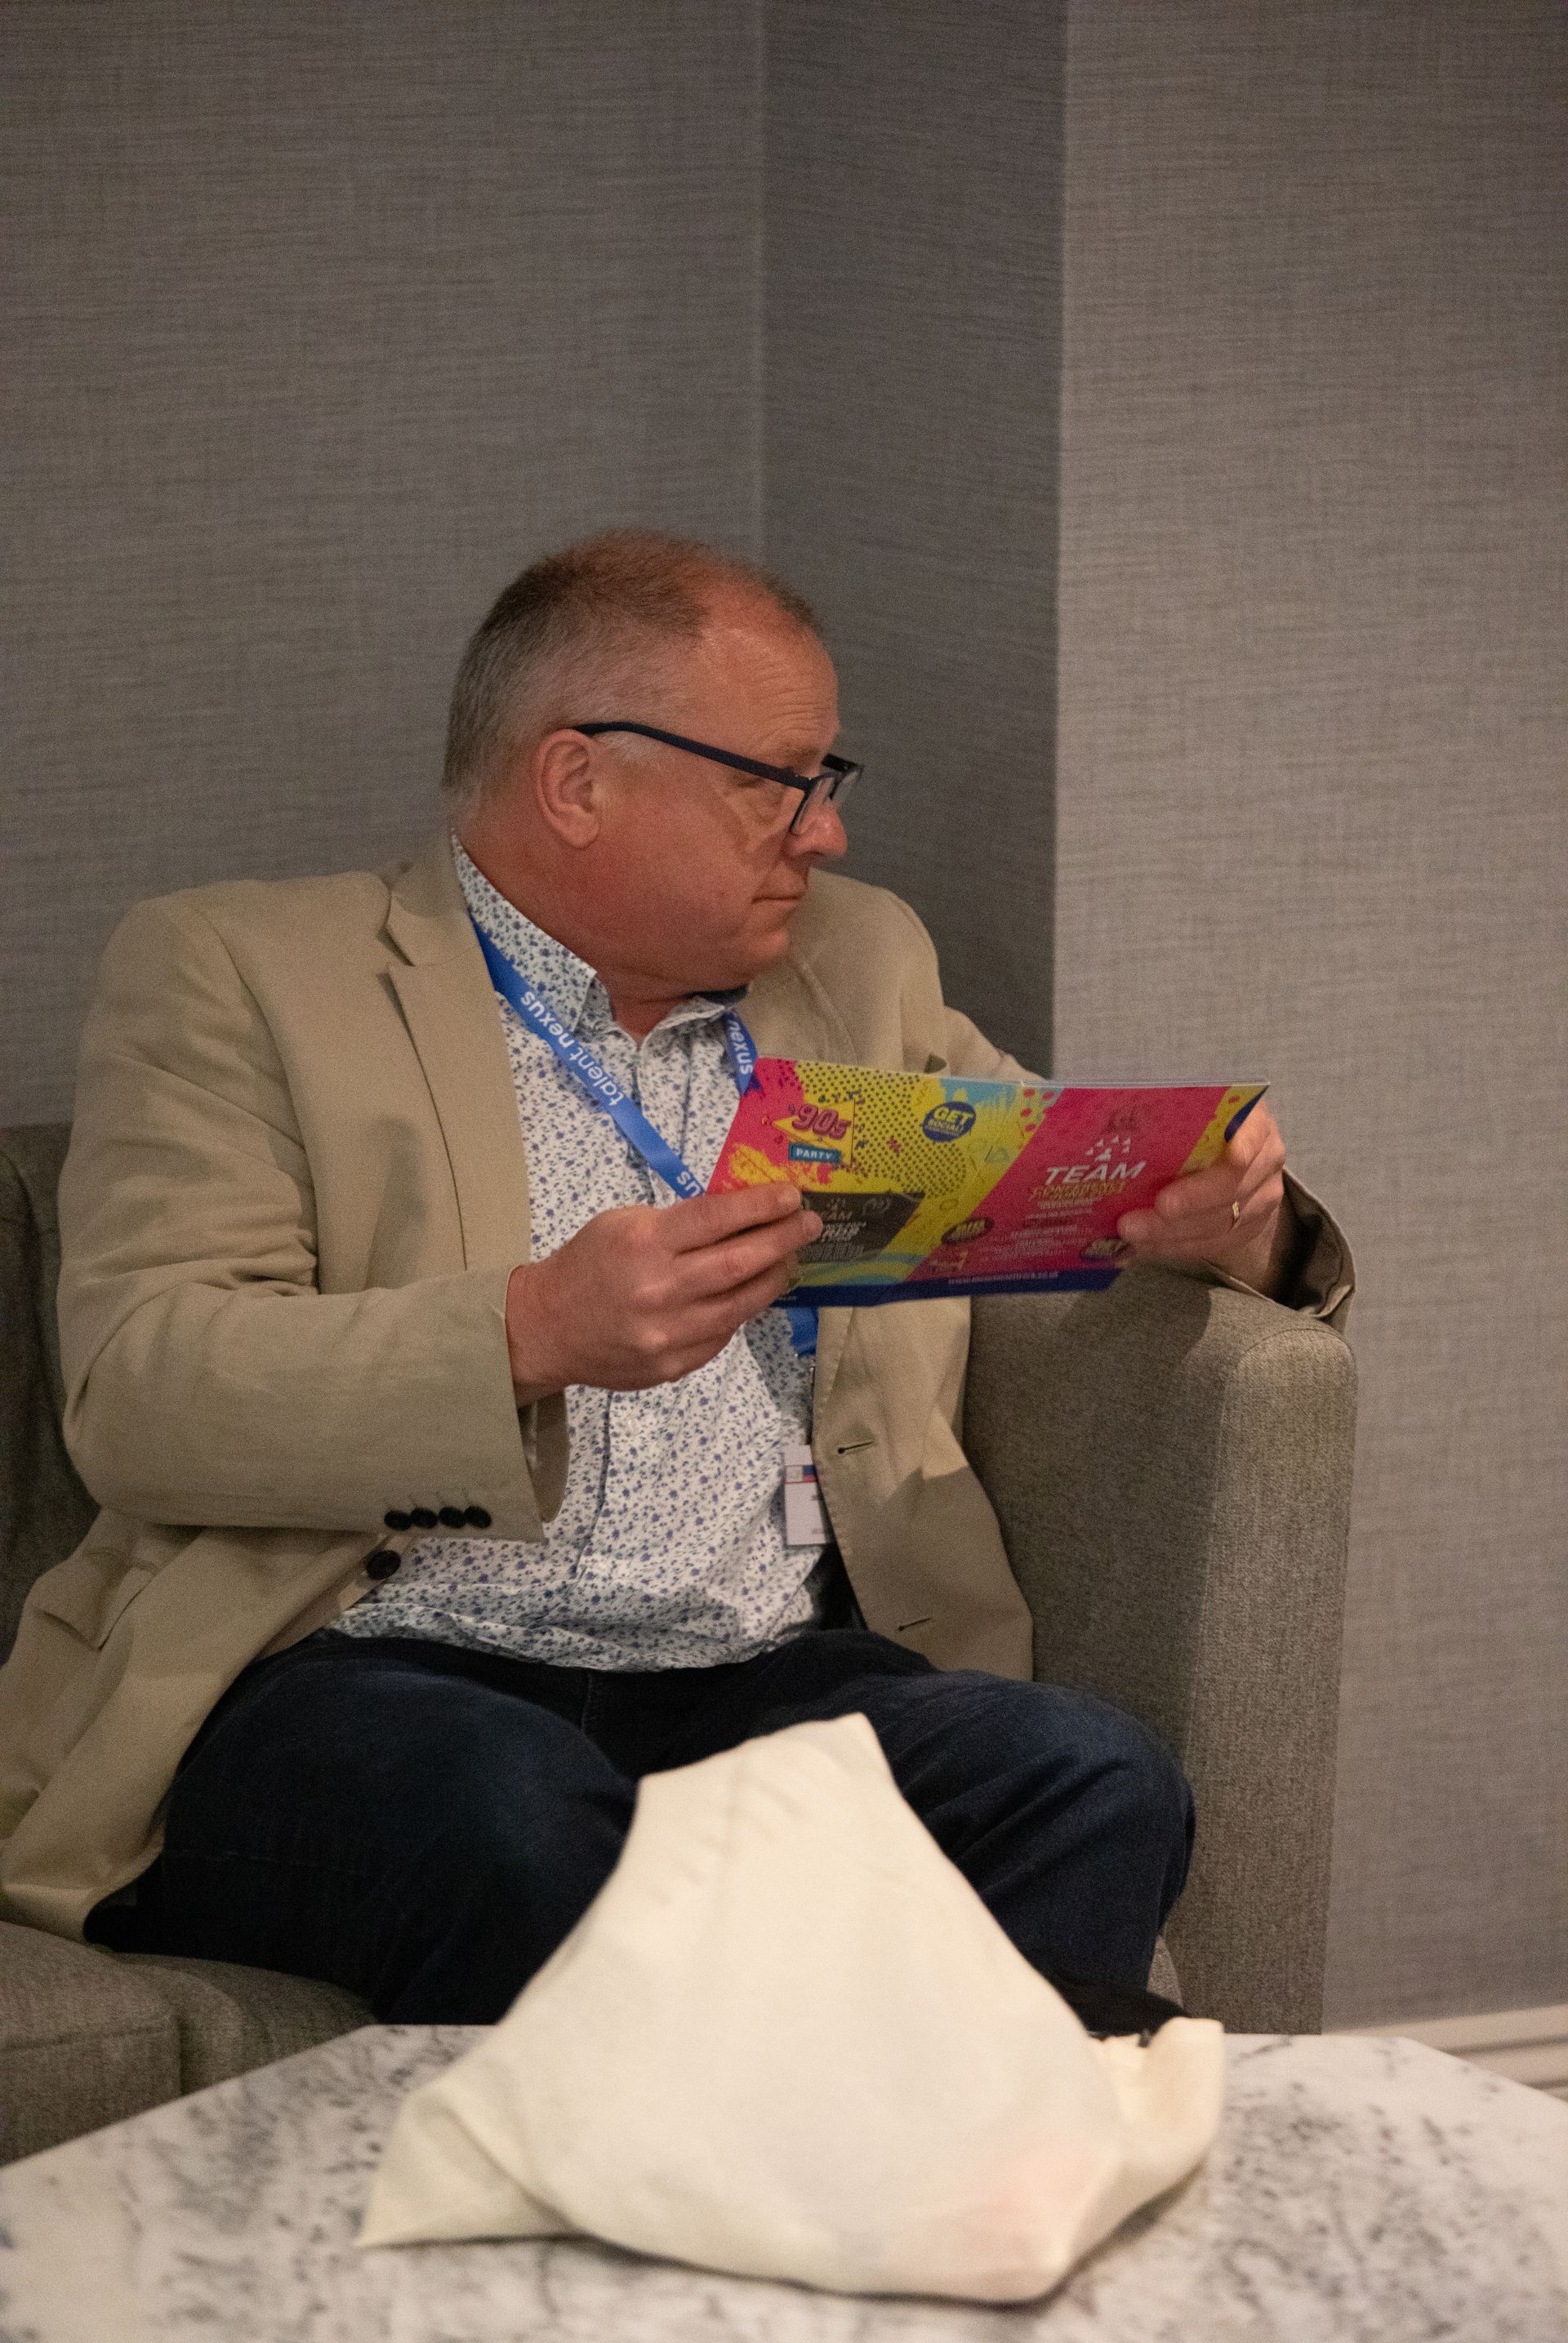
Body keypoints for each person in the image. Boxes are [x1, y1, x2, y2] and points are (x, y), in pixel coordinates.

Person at [0, 533, 1352, 2026]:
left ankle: (963, 2202)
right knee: (512, 1813)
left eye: (828, 782)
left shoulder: (859, 967)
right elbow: (142, 1389)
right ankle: (770, 2195)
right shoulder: (242, 973)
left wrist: (1234, 1221)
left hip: (751, 1678)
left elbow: (1068, 1178)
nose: (821, 835)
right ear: (578, 780)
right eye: (777, 780)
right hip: (368, 1674)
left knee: (1088, 1777)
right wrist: (528, 1332)